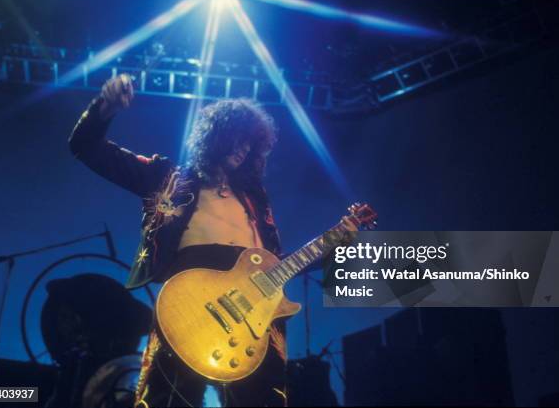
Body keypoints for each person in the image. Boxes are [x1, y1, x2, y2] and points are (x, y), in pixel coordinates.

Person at [69, 74, 357, 407]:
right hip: (188, 306)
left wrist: (334, 242)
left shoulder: (256, 201)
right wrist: (104, 108)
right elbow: (85, 148)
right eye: (237, 139)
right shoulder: (168, 178)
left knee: (264, 400)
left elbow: (276, 265)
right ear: (215, 136)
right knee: (166, 398)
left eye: (250, 144)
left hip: (253, 319)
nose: (243, 149)